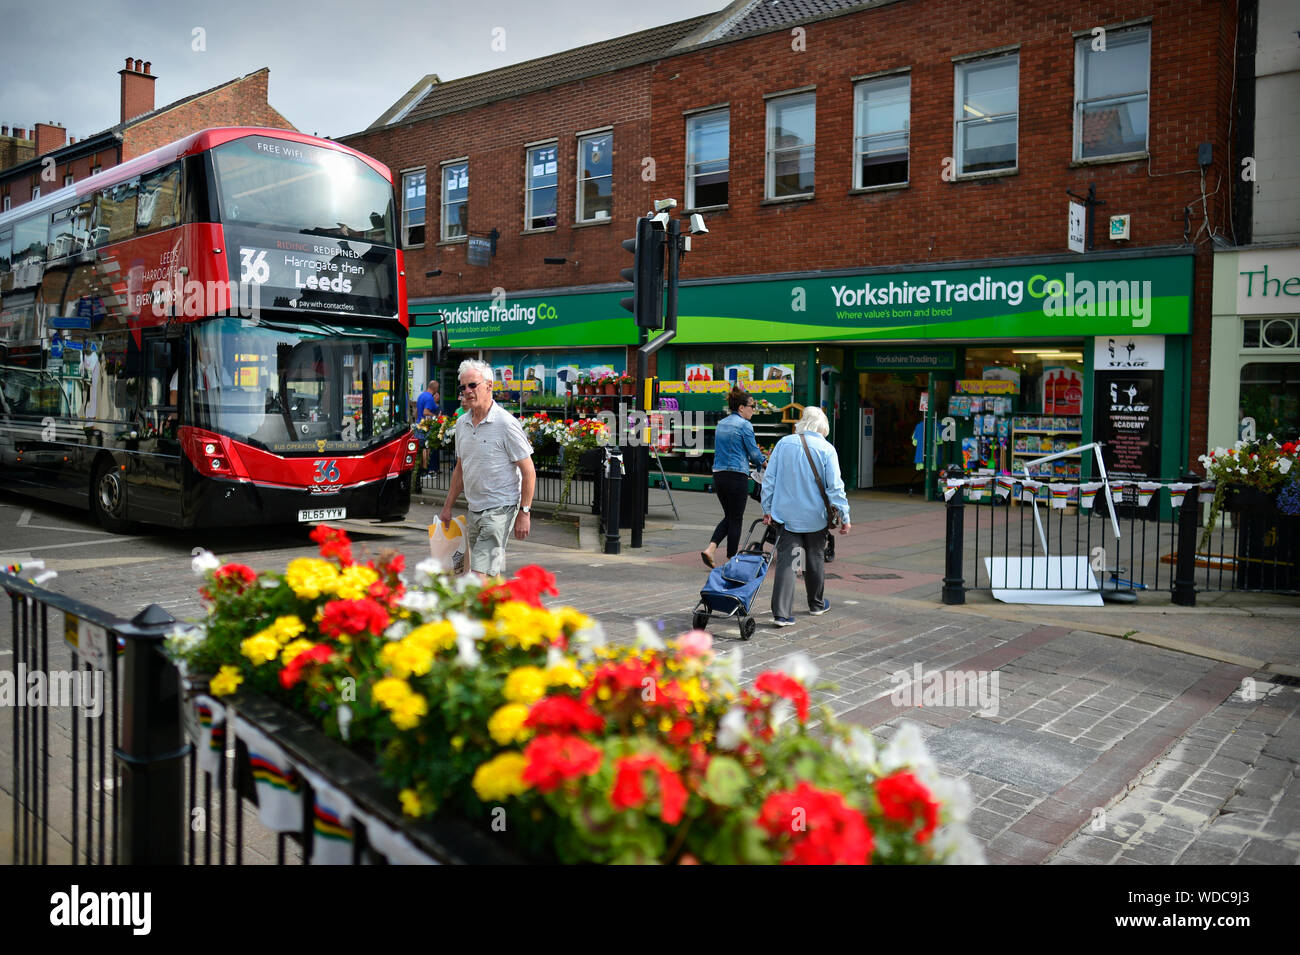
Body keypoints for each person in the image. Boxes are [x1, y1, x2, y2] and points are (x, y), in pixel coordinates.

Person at [439, 359, 536, 577]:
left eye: (473, 385)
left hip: (500, 509)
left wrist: (525, 512)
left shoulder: (506, 423)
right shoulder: (461, 424)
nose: (467, 391)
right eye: (463, 387)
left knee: (477, 574)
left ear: (489, 385)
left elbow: (528, 470)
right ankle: (501, 608)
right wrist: (447, 507)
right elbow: (460, 469)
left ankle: (475, 609)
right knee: (490, 572)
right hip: (475, 508)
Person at [761, 405, 851, 627]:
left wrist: (767, 508)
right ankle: (816, 604)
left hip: (786, 515)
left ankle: (781, 614)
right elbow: (835, 487)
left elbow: (769, 479)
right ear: (823, 426)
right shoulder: (827, 449)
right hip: (815, 516)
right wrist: (844, 515)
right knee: (815, 558)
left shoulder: (784, 444)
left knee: (787, 561)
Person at [702, 387, 766, 568]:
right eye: (751, 406)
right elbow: (754, 454)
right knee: (736, 518)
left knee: (729, 516)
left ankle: (711, 549)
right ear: (741, 408)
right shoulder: (745, 425)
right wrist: (766, 464)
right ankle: (732, 559)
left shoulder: (721, 424)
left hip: (719, 475)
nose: (753, 410)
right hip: (737, 475)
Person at [416, 379, 440, 474]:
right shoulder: (429, 398)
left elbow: (417, 412)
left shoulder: (421, 395)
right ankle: (425, 469)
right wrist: (436, 416)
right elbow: (425, 412)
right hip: (426, 425)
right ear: (435, 388)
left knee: (421, 448)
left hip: (419, 424)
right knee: (426, 448)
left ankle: (420, 469)